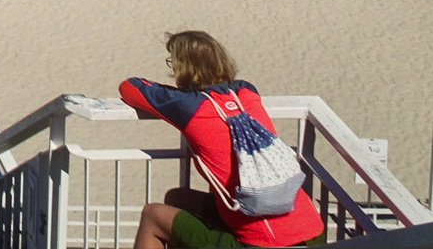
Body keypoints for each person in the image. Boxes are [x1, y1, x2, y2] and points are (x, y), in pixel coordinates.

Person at [122, 31, 324, 249]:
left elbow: (130, 87)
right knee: (177, 198)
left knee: (152, 216)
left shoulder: (188, 107)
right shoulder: (246, 92)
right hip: (313, 230)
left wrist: (174, 92)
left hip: (266, 243)